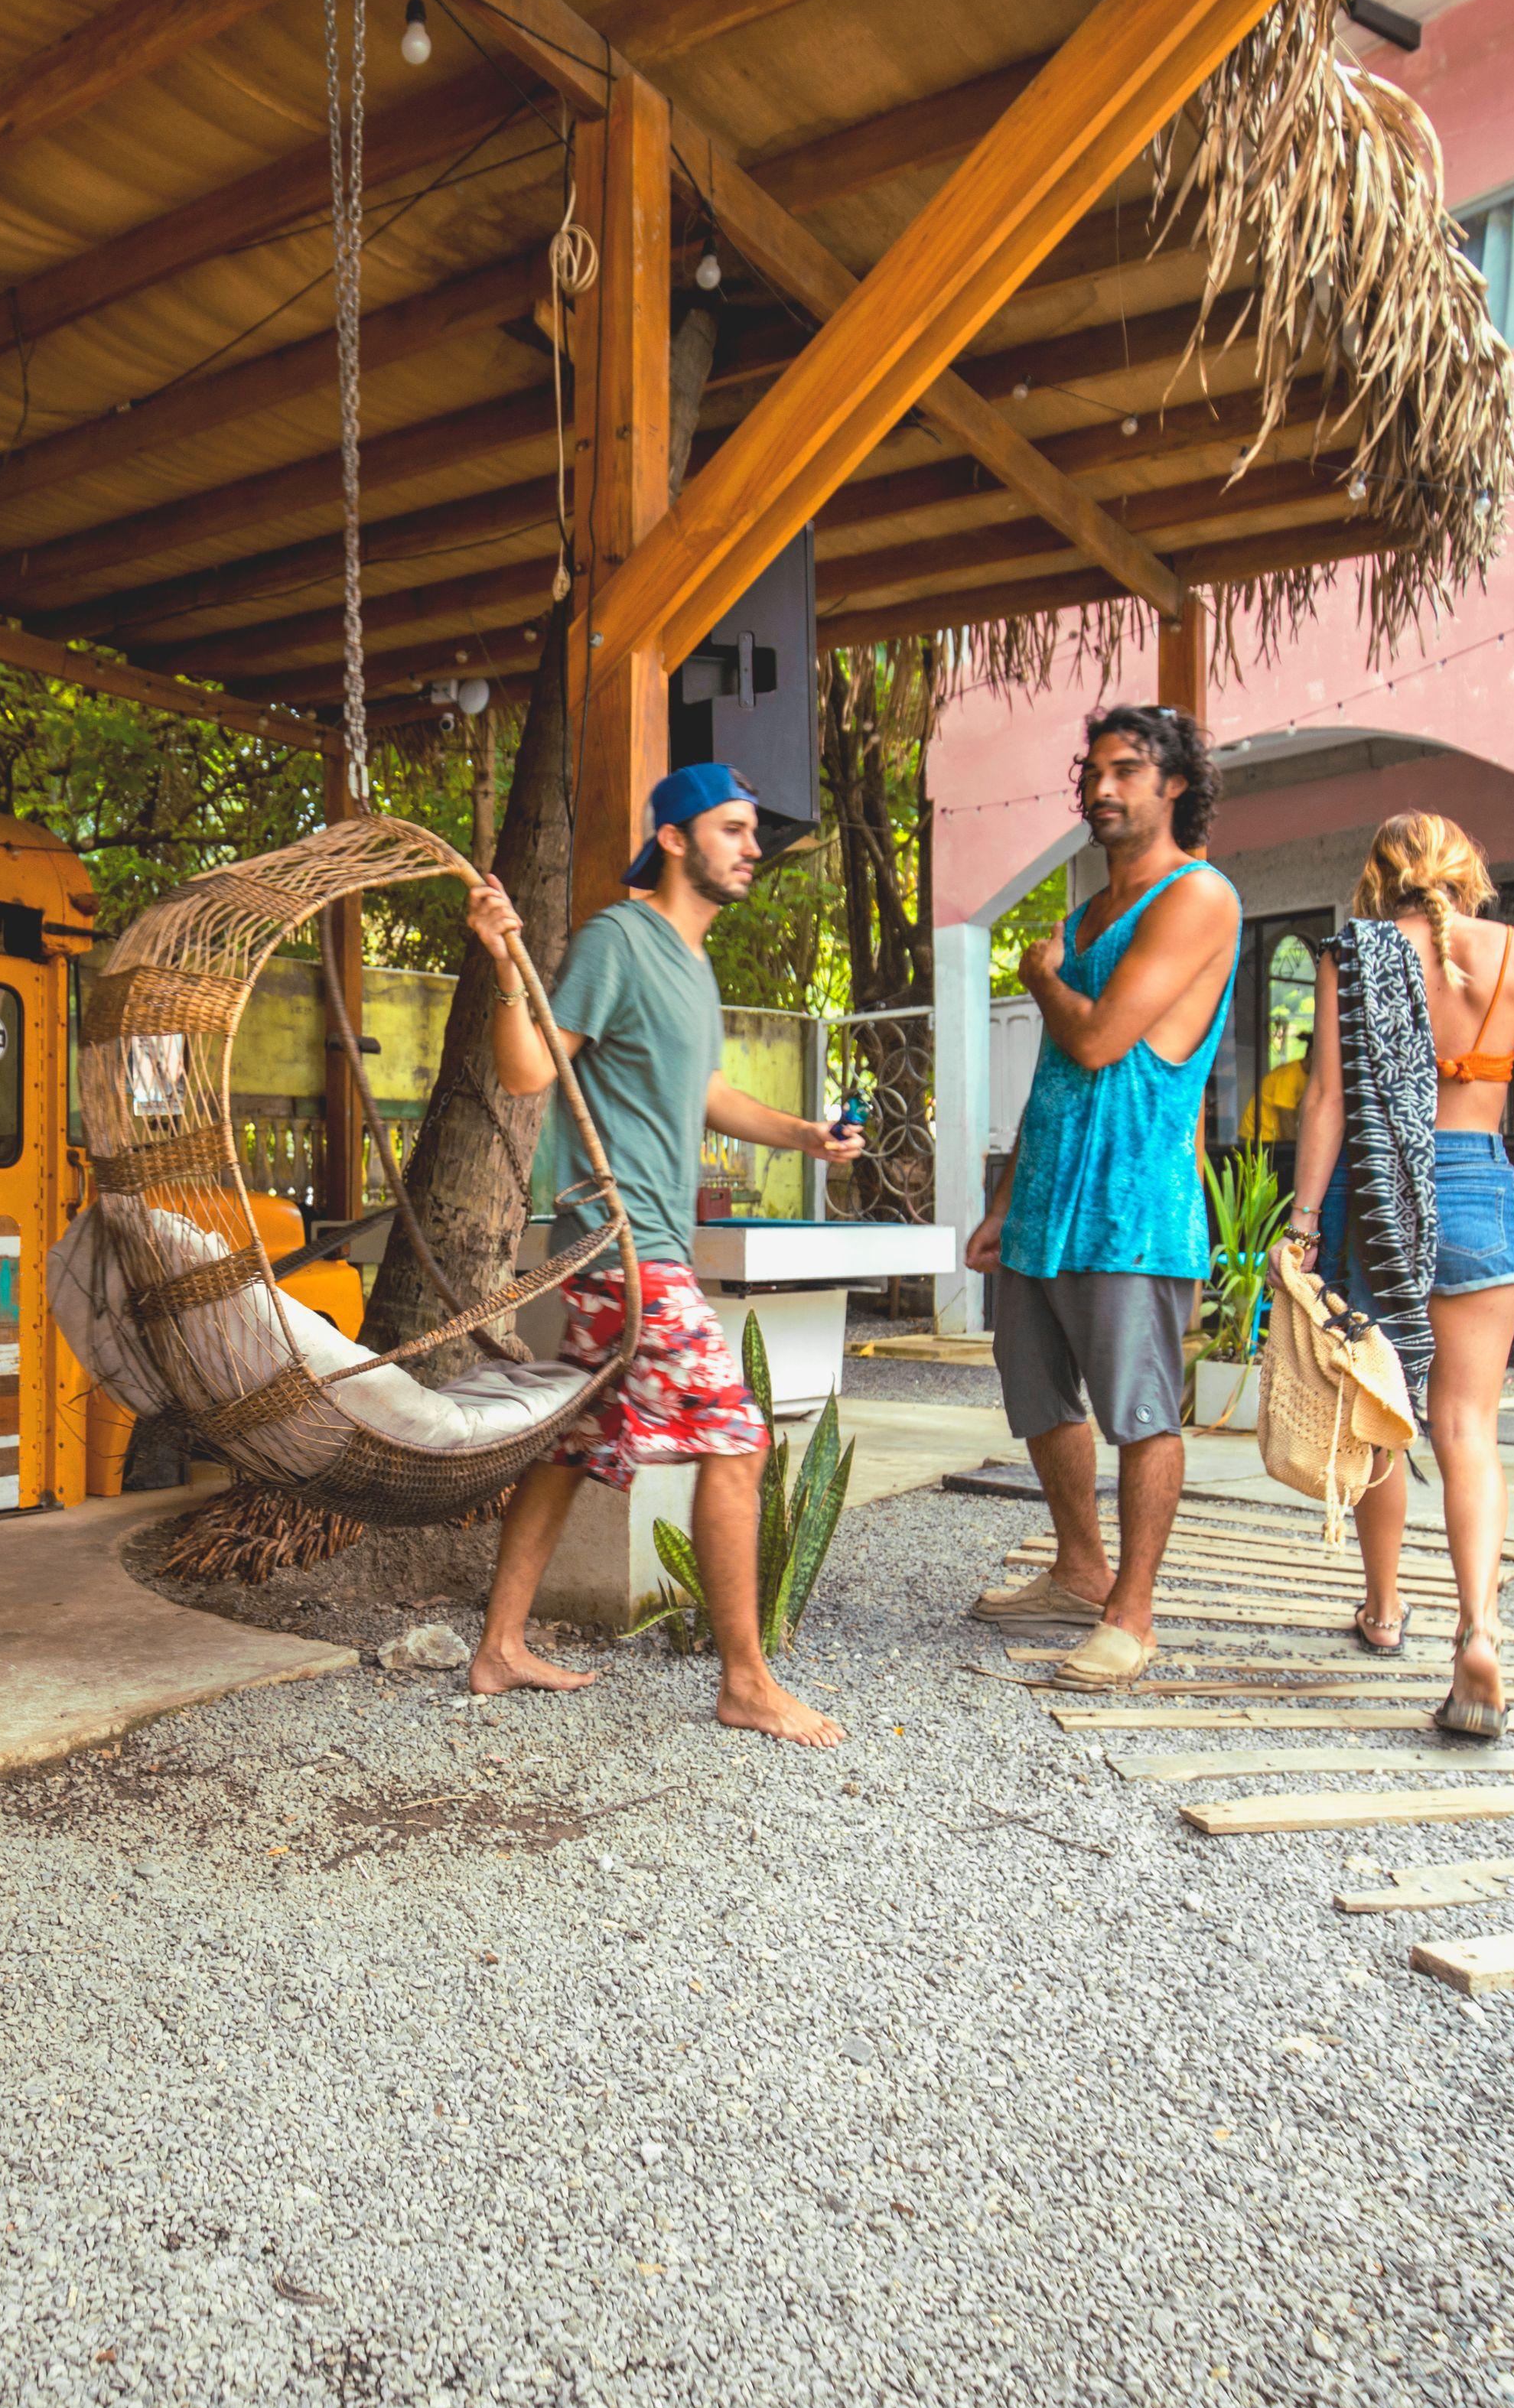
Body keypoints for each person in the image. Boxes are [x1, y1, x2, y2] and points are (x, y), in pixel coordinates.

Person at [458, 763, 864, 1746]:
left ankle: (498, 1646)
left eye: (752, 831)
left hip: (633, 1246)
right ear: (676, 838)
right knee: (737, 1439)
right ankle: (746, 1682)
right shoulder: (620, 938)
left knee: (568, 1448)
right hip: (621, 1243)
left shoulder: (691, 962)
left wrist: (805, 1137)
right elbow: (527, 1067)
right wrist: (504, 961)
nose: (752, 847)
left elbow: (706, 1090)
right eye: (733, 828)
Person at [1286, 812, 1514, 1733]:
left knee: (1383, 1416)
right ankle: (1480, 1629)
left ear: (1378, 877)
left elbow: (1326, 1098)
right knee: (1468, 1426)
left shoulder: (1354, 955)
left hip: (1382, 1190)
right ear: (1469, 871)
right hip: (1473, 1182)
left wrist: (1304, 1222)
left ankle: (1383, 1613)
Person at [961, 705, 1242, 1690]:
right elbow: (1052, 1075)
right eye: (1092, 770)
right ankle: (1079, 1569)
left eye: (1126, 769)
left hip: (1132, 1202)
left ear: (1174, 784)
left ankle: (1134, 1611)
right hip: (1046, 1198)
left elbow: (1094, 1039)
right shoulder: (1084, 912)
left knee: (1140, 1410)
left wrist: (1041, 977)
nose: (1100, 788)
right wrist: (1002, 1199)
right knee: (1037, 1394)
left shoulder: (1198, 895)